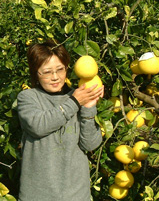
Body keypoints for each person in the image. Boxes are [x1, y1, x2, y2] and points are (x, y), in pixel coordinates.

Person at [17, 40, 104, 201]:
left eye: (60, 70)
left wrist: (89, 107)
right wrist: (75, 102)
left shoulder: (78, 97)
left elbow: (90, 144)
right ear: (36, 73)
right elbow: (38, 126)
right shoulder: (28, 98)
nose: (55, 77)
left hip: (77, 195)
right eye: (47, 72)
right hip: (37, 196)